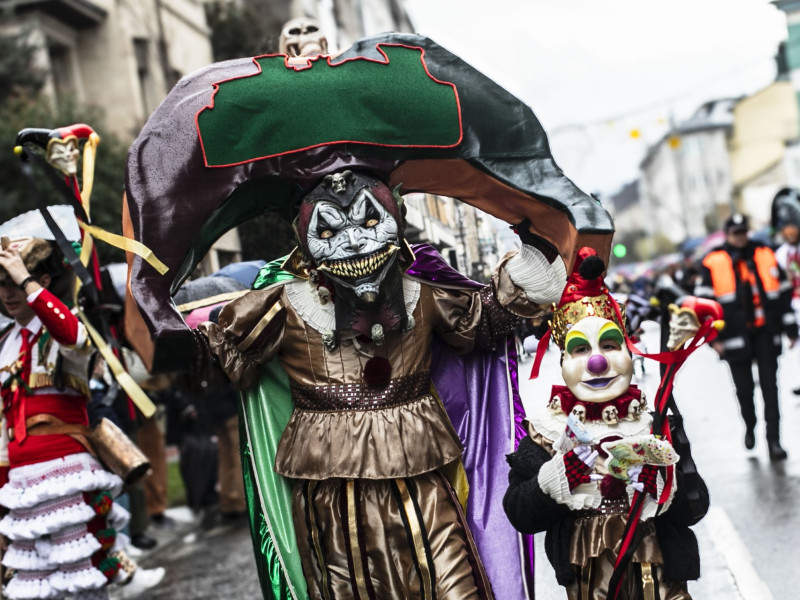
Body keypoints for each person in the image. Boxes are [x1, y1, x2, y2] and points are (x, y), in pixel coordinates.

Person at [195, 170, 567, 599]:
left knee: (454, 587)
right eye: (330, 230)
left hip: (424, 482)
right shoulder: (283, 307)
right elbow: (213, 362)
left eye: (369, 221)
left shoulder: (422, 293)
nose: (353, 242)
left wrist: (536, 243)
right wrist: (148, 292)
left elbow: (482, 323)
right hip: (331, 496)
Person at [504, 248, 710, 600]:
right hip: (589, 584)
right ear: (563, 360)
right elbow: (520, 513)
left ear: (629, 353)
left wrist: (661, 483)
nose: (597, 362)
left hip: (662, 579)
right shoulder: (547, 432)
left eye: (610, 345)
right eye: (581, 350)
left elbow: (696, 506)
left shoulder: (654, 422)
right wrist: (557, 479)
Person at [0, 236, 129, 599]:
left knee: (81, 582)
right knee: (34, 588)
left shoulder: (62, 326)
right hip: (22, 485)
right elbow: (4, 426)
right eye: (1, 284)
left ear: (40, 282)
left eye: (15, 283)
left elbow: (72, 337)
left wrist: (25, 282)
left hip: (66, 475)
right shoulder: (4, 343)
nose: (8, 293)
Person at [696, 213, 797, 460]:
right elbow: (703, 305)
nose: (741, 237)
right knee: (744, 389)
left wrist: (791, 328)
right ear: (728, 235)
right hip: (733, 334)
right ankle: (750, 425)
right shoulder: (713, 261)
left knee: (770, 388)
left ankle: (774, 440)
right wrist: (712, 339)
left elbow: (783, 293)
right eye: (736, 233)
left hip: (766, 331)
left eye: (743, 232)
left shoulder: (765, 253)